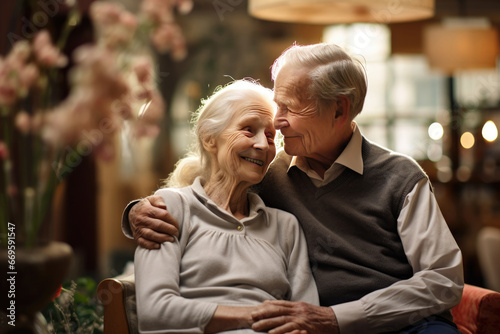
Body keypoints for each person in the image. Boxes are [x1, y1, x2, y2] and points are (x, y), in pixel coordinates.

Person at [124, 43, 464, 334]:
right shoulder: (268, 170)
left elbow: (443, 279)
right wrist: (138, 211)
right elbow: (211, 179)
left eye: (290, 107)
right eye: (278, 106)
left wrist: (334, 318)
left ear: (339, 109)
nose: (278, 122)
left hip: (409, 324)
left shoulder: (400, 177)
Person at [132, 79, 319, 334]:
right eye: (248, 129)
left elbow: (304, 315)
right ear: (210, 138)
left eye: (270, 136)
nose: (263, 146)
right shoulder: (171, 209)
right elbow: (156, 311)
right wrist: (257, 315)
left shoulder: (285, 226)